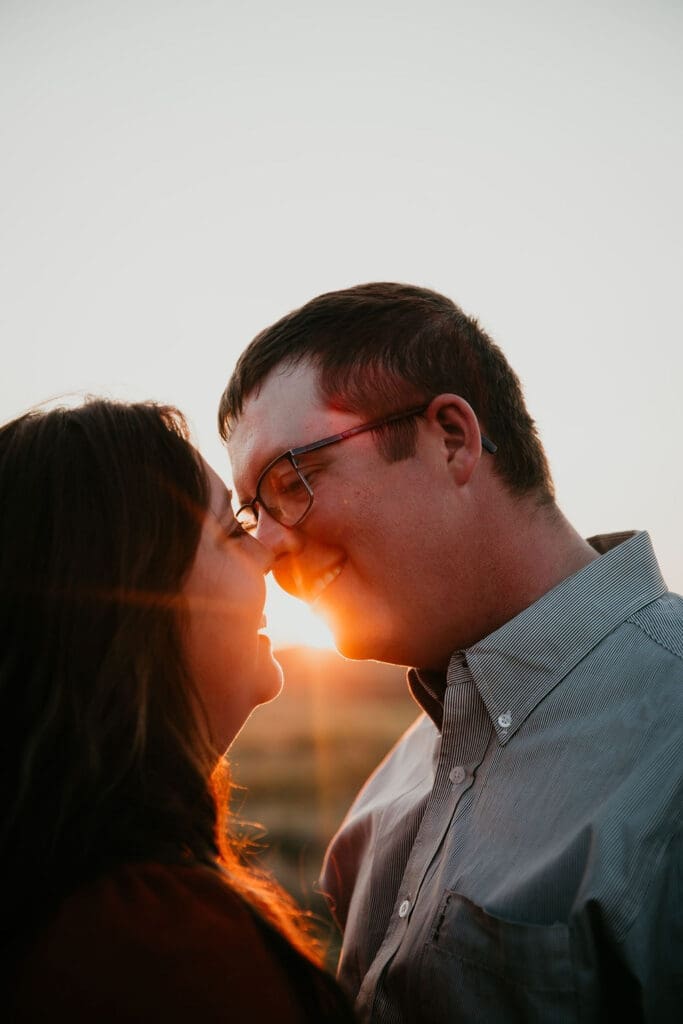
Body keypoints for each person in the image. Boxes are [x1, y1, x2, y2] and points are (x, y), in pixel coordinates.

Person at [220, 282, 682, 1022]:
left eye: (291, 480)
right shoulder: (401, 771)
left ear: (451, 439)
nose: (269, 547)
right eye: (254, 511)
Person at [0, 398, 354, 1022]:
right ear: (133, 603)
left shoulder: (69, 895)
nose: (270, 551)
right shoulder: (156, 955)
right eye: (230, 531)